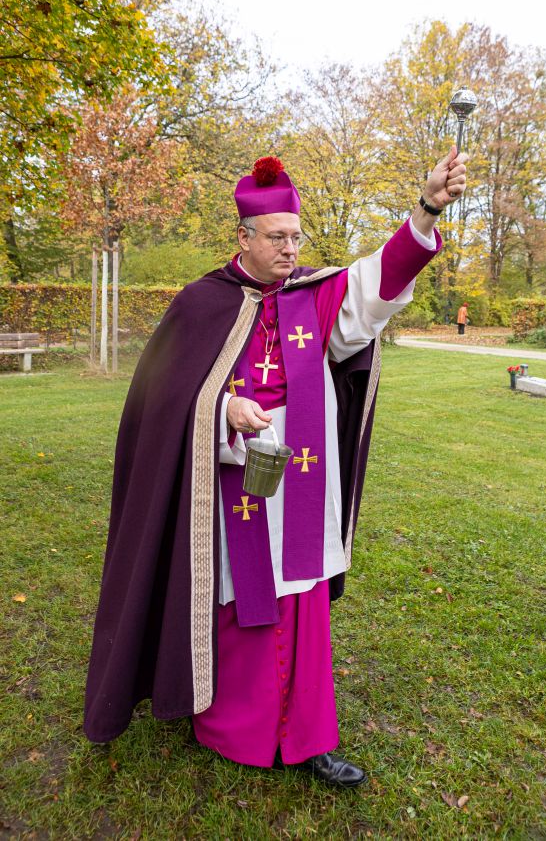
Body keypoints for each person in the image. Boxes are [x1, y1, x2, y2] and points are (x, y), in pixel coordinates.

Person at [84, 149, 468, 788]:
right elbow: (160, 398)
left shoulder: (312, 297)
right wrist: (221, 408)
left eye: (297, 236)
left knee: (304, 605)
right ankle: (232, 728)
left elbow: (378, 284)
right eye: (278, 238)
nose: (291, 249)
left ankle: (310, 738)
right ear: (244, 237)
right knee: (240, 602)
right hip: (232, 482)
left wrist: (426, 208)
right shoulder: (201, 302)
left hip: (304, 481)